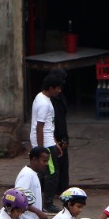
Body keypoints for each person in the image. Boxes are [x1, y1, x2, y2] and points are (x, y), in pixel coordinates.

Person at [30, 74, 63, 212]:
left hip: (48, 141)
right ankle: (47, 204)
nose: (59, 91)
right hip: (45, 144)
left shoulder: (42, 98)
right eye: (58, 88)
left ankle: (38, 200)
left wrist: (55, 143)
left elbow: (49, 125)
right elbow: (40, 126)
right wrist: (41, 148)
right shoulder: (44, 103)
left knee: (43, 173)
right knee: (52, 173)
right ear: (50, 88)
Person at [47, 69, 69, 210]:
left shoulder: (60, 98)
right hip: (55, 138)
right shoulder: (48, 102)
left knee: (63, 165)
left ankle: (62, 190)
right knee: (53, 169)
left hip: (62, 136)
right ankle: (51, 196)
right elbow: (48, 124)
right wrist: (55, 140)